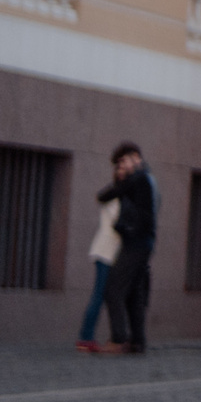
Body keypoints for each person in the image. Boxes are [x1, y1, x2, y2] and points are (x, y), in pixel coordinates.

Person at [94, 143, 157, 355]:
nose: (121, 166)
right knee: (134, 294)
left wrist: (118, 183)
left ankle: (118, 339)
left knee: (113, 288)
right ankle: (137, 341)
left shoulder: (137, 178)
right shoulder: (147, 178)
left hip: (136, 242)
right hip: (145, 241)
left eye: (123, 161)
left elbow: (106, 195)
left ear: (135, 157)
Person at [74, 196, 119, 353]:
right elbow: (117, 222)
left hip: (108, 253)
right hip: (106, 253)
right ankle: (86, 337)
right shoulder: (115, 200)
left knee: (101, 295)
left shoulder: (114, 198)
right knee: (99, 295)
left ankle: (88, 337)